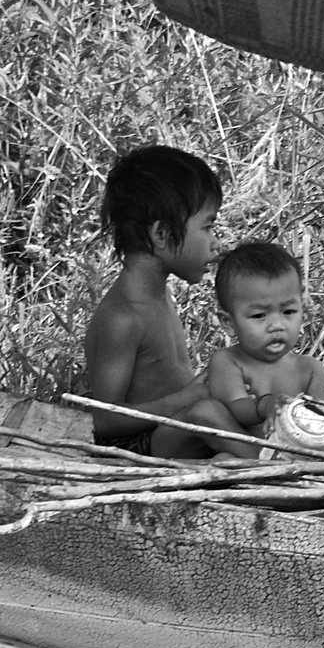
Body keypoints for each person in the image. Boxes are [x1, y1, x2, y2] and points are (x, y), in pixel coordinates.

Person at [84, 144, 252, 458]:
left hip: (170, 433)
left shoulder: (158, 294)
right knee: (206, 414)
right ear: (162, 234)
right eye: (208, 227)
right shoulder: (123, 318)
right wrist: (187, 400)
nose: (216, 244)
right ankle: (286, 469)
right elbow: (104, 421)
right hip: (131, 449)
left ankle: (233, 464)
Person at [207, 242, 324, 452]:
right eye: (259, 315)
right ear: (228, 323)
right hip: (245, 451)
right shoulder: (227, 361)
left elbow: (318, 424)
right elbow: (232, 408)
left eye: (289, 311)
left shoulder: (310, 370)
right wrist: (264, 405)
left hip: (298, 456)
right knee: (209, 417)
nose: (276, 326)